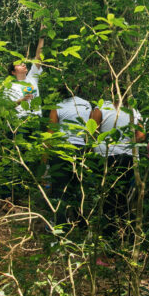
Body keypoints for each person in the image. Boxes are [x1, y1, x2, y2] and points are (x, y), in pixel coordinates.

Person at [91, 97, 144, 227]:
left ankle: (108, 227)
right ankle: (121, 227)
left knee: (106, 193)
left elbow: (92, 131)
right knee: (122, 194)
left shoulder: (101, 107)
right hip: (127, 157)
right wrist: (127, 141)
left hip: (104, 155)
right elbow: (141, 136)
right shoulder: (134, 112)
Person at [48, 91, 93, 220]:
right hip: (80, 149)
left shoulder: (57, 106)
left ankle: (60, 222)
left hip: (61, 149)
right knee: (79, 188)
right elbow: (91, 130)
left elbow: (51, 133)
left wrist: (45, 160)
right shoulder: (87, 105)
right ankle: (80, 222)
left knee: (60, 188)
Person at [5, 36, 45, 118]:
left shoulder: (32, 78)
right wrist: (23, 100)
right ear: (13, 72)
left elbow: (38, 57)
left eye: (23, 63)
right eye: (19, 64)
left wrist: (42, 37)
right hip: (20, 121)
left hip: (36, 119)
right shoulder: (9, 86)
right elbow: (7, 107)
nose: (23, 64)